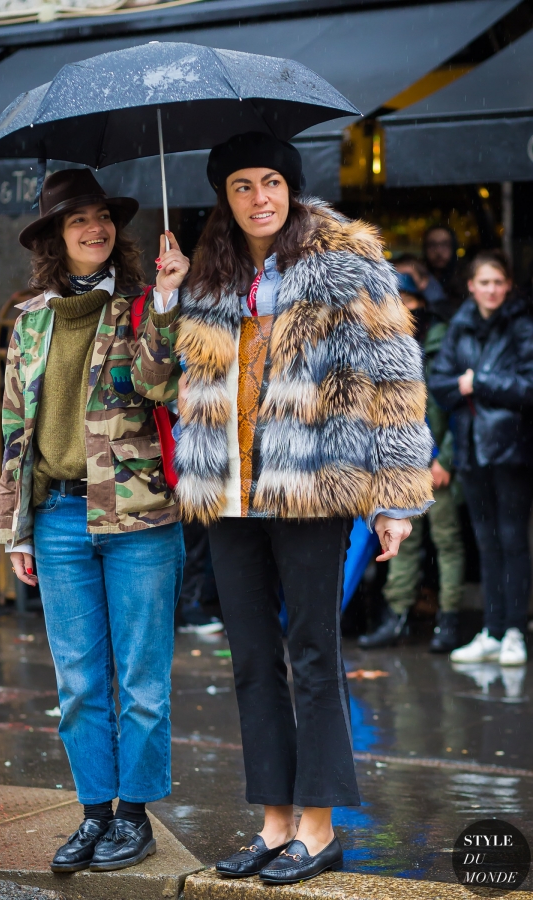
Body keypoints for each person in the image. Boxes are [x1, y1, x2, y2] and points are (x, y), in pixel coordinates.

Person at [174, 132, 433, 884]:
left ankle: (318, 832)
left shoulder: (344, 261)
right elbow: (171, 386)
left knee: (315, 656)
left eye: (271, 183)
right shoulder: (208, 275)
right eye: (243, 186)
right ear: (224, 198)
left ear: (291, 187)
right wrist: (167, 300)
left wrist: (395, 499)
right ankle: (273, 823)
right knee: (252, 661)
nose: (260, 198)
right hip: (230, 492)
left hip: (315, 487)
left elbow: (395, 380)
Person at [0, 168, 189, 873]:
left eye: (103, 216)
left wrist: (168, 300)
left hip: (138, 516)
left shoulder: (142, 304)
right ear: (54, 236)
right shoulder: (31, 319)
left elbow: (160, 383)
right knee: (78, 682)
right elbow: (16, 428)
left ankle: (133, 817)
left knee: (141, 677)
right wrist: (14, 529)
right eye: (78, 219)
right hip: (57, 517)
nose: (94, 228)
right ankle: (93, 813)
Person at [430, 250, 533, 667]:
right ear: (471, 286)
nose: (491, 290)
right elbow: (439, 384)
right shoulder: (460, 325)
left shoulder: (522, 325)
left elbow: (529, 387)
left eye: (497, 282)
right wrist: (469, 386)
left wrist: (479, 382)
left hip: (511, 449)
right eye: (483, 282)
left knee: (512, 541)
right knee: (486, 543)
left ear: (507, 286)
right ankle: (491, 630)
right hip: (471, 448)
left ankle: (514, 631)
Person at [358, 272, 465, 652]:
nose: (400, 308)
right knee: (400, 543)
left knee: (447, 541)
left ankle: (449, 621)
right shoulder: (375, 343)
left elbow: (456, 408)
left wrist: (446, 459)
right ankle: (396, 616)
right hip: (402, 467)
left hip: (439, 461)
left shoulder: (439, 343)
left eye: (407, 300)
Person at [422, 225, 465, 311]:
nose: (438, 251)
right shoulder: (419, 273)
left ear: (453, 247)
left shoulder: (465, 276)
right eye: (432, 245)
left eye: (445, 244)